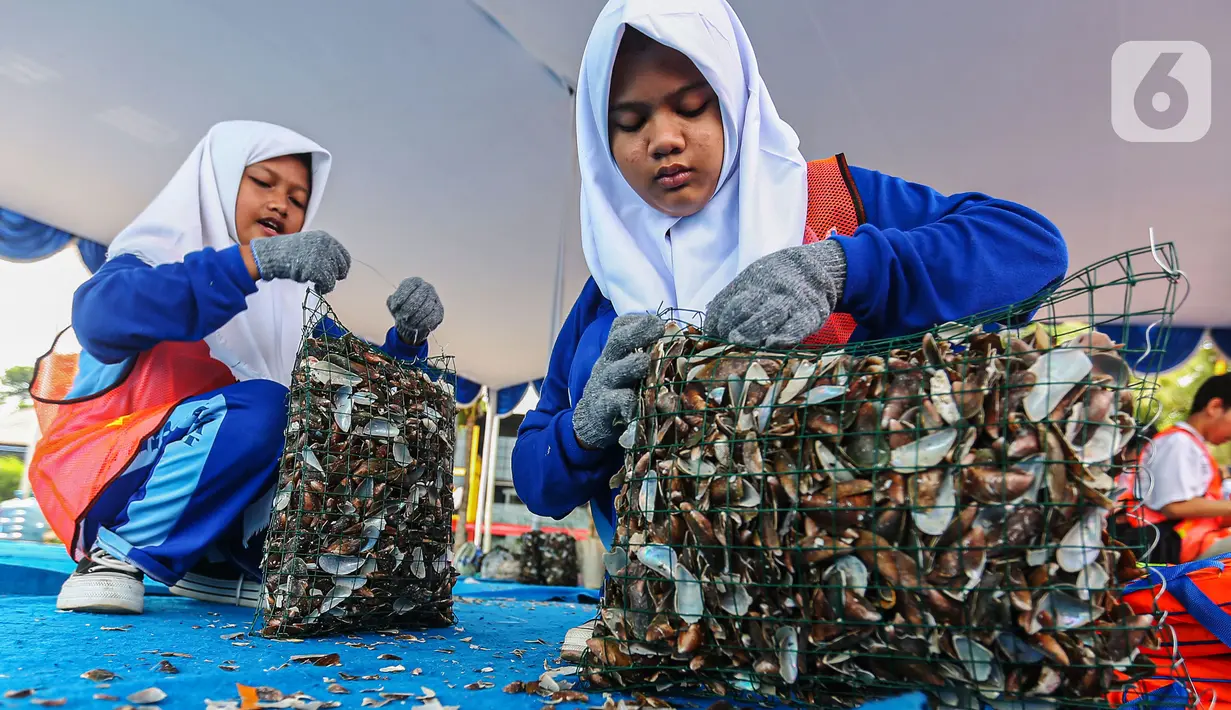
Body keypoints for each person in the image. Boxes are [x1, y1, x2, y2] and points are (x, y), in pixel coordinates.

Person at [511, 0, 1069, 551]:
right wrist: (581, 434)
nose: (663, 139)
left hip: (840, 605)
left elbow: (1031, 250)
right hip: (659, 624)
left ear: (735, 98)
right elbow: (537, 481)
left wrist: (842, 268)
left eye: (692, 107)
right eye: (629, 122)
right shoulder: (607, 285)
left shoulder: (832, 203)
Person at [27, 121, 446, 614]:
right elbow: (100, 320)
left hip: (212, 507)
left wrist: (408, 340)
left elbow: (360, 388)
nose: (281, 204)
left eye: (297, 197)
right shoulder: (147, 261)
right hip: (111, 479)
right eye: (264, 183)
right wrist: (253, 263)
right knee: (267, 406)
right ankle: (114, 556)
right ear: (220, 181)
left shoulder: (291, 303)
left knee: (336, 433)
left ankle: (219, 566)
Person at [1124, 374, 1231, 564]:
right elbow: (1174, 506)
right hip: (1176, 548)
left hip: (1196, 542)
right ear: (1214, 407)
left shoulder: (1192, 444)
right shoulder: (1177, 442)